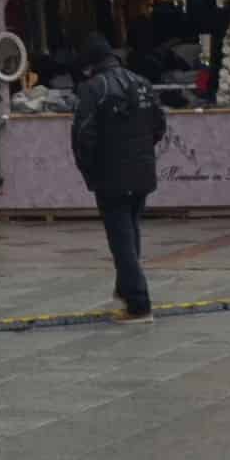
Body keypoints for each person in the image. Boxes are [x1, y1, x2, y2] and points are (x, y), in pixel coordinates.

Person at [67, 34, 166, 320]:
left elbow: (83, 136)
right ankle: (125, 290)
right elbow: (159, 125)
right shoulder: (141, 82)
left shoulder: (93, 89)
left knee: (121, 238)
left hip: (111, 174)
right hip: (143, 170)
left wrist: (90, 171)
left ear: (90, 63)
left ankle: (138, 302)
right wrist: (143, 150)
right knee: (131, 229)